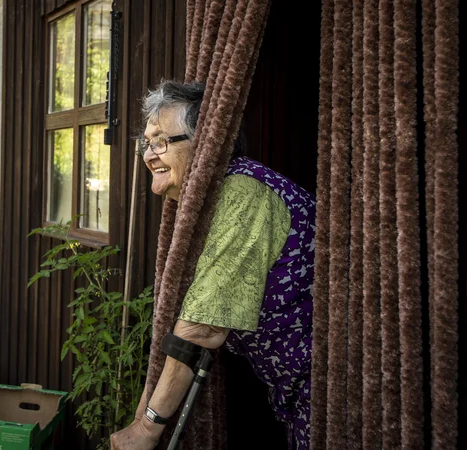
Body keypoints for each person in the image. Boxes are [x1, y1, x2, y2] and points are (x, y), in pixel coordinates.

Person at [110, 80, 316, 450]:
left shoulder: (242, 193)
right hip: (294, 390)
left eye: (160, 141)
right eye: (146, 143)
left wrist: (146, 428)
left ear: (205, 143)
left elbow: (203, 328)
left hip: (322, 385)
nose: (148, 155)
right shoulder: (208, 200)